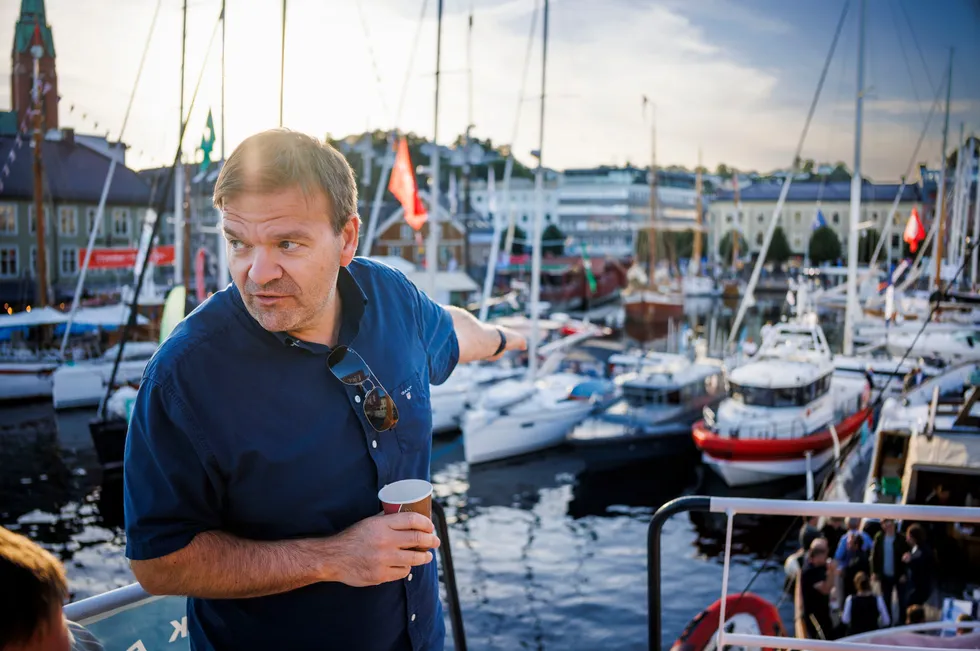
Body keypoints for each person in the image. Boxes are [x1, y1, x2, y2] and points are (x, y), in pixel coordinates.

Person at [122, 130, 528, 650]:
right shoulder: (184, 377)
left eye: (286, 243)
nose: (258, 273)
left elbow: (451, 330)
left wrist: (505, 338)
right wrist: (332, 557)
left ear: (348, 239)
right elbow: (158, 562)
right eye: (239, 243)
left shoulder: (391, 297)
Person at [0, 526, 104, 651]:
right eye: (61, 620)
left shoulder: (84, 642)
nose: (70, 632)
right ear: (38, 634)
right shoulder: (81, 643)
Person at [870, 518, 908, 625]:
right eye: (886, 524)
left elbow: (906, 557)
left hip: (899, 574)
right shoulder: (879, 538)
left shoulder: (901, 538)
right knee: (886, 599)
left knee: (902, 600)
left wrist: (904, 573)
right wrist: (875, 572)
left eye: (890, 524)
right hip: (885, 575)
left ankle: (902, 622)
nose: (889, 527)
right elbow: (874, 556)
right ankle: (888, 621)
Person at [800, 539, 837, 640]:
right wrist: (831, 571)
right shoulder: (810, 571)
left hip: (824, 611)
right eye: (825, 552)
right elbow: (826, 589)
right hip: (814, 616)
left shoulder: (821, 565)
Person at [902, 524, 934, 607]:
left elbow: (920, 566)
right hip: (916, 587)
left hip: (919, 588)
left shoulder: (923, 551)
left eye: (908, 536)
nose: (906, 539)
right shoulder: (917, 548)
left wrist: (909, 561)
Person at [841, 533, 871, 602]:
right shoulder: (850, 554)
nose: (848, 545)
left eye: (850, 543)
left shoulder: (861, 557)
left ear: (856, 545)